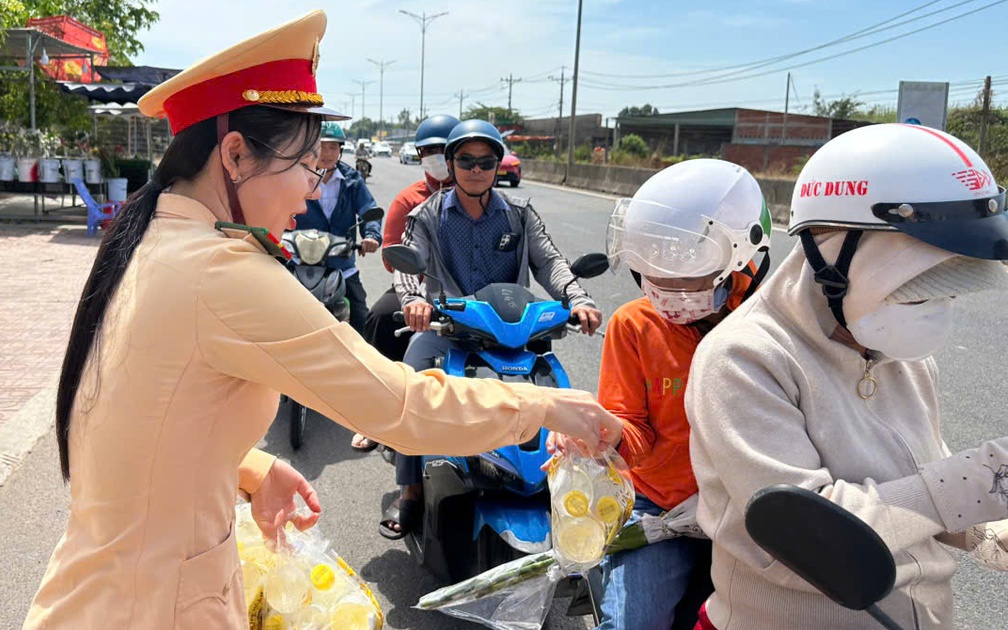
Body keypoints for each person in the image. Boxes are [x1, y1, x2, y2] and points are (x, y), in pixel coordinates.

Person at [23, 11, 621, 629]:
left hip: (106, 591)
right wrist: (546, 408)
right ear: (234, 154)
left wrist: (250, 468)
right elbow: (401, 408)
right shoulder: (221, 271)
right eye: (307, 165)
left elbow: (148, 425)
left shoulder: (157, 240)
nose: (311, 192)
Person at [685, 124, 1008, 630]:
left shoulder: (901, 351)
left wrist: (986, 532)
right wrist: (988, 476)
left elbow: (925, 485)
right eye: (919, 284)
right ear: (829, 252)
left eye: (951, 286)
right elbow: (812, 537)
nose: (933, 308)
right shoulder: (742, 359)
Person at [549, 159, 772, 630]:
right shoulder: (635, 325)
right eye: (654, 279)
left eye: (686, 280)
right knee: (633, 622)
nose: (668, 294)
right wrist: (606, 435)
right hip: (663, 510)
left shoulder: (775, 329)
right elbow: (635, 434)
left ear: (743, 262)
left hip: (754, 516)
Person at [379, 119, 605, 539]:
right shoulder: (426, 214)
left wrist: (579, 300)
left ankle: (563, 485)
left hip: (512, 334)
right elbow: (409, 263)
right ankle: (409, 490)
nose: (475, 169)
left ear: (498, 166)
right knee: (410, 384)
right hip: (448, 329)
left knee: (555, 387)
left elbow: (551, 263)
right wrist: (414, 301)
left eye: (486, 161)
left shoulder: (519, 216)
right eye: (466, 160)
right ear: (450, 163)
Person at [352, 113, 460, 453]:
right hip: (420, 287)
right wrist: (415, 288)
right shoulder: (409, 200)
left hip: (472, 291)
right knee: (380, 319)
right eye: (429, 150)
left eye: (444, 149)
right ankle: (377, 417)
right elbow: (391, 256)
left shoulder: (481, 195)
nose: (437, 157)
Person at [294, 120, 381, 334]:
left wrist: (371, 236)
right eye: (322, 146)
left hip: (342, 265)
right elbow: (277, 206)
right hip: (299, 263)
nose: (327, 153)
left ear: (341, 151)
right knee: (278, 311)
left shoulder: (352, 180)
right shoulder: (296, 176)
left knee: (363, 318)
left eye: (334, 147)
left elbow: (369, 209)